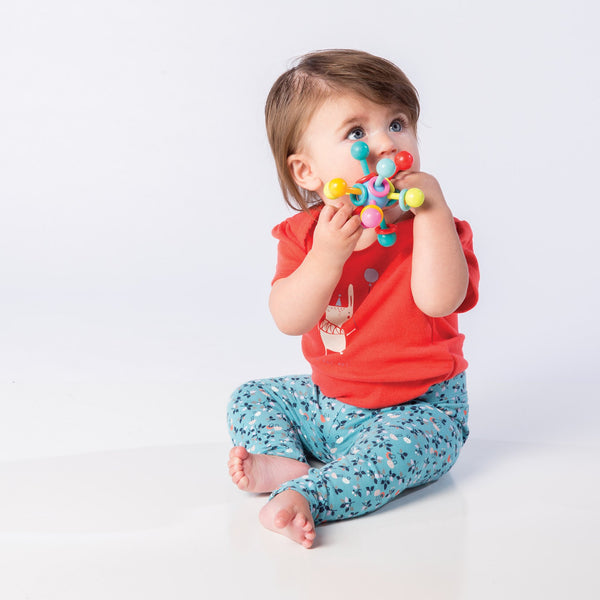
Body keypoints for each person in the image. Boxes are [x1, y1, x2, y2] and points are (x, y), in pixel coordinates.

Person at [226, 49, 479, 549]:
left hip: (420, 408)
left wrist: (432, 215)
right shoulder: (303, 236)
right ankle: (283, 458)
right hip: (330, 403)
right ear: (307, 172)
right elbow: (288, 318)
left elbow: (439, 301)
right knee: (252, 395)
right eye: (357, 133)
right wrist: (325, 257)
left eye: (398, 123)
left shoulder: (436, 227)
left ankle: (310, 495)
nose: (386, 143)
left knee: (397, 453)